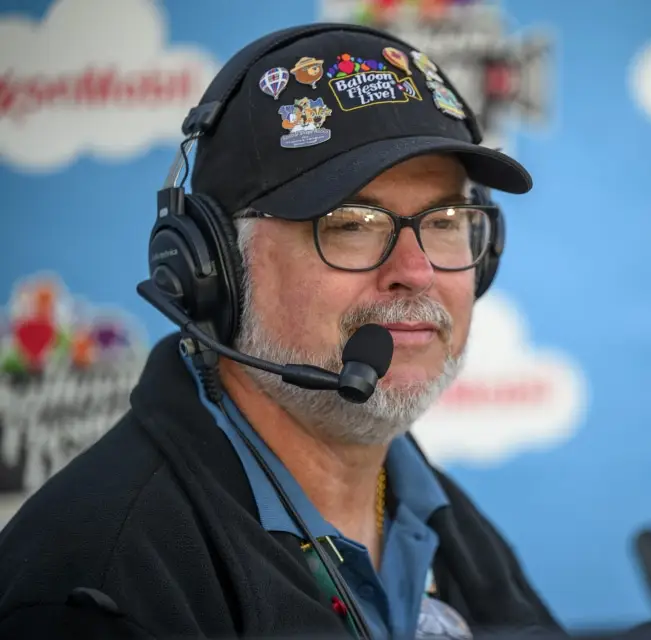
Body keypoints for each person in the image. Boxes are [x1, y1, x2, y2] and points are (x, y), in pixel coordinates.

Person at [0, 24, 560, 639]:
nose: (417, 272)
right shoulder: (100, 582)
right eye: (351, 223)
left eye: (447, 220)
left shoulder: (434, 516)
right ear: (215, 267)